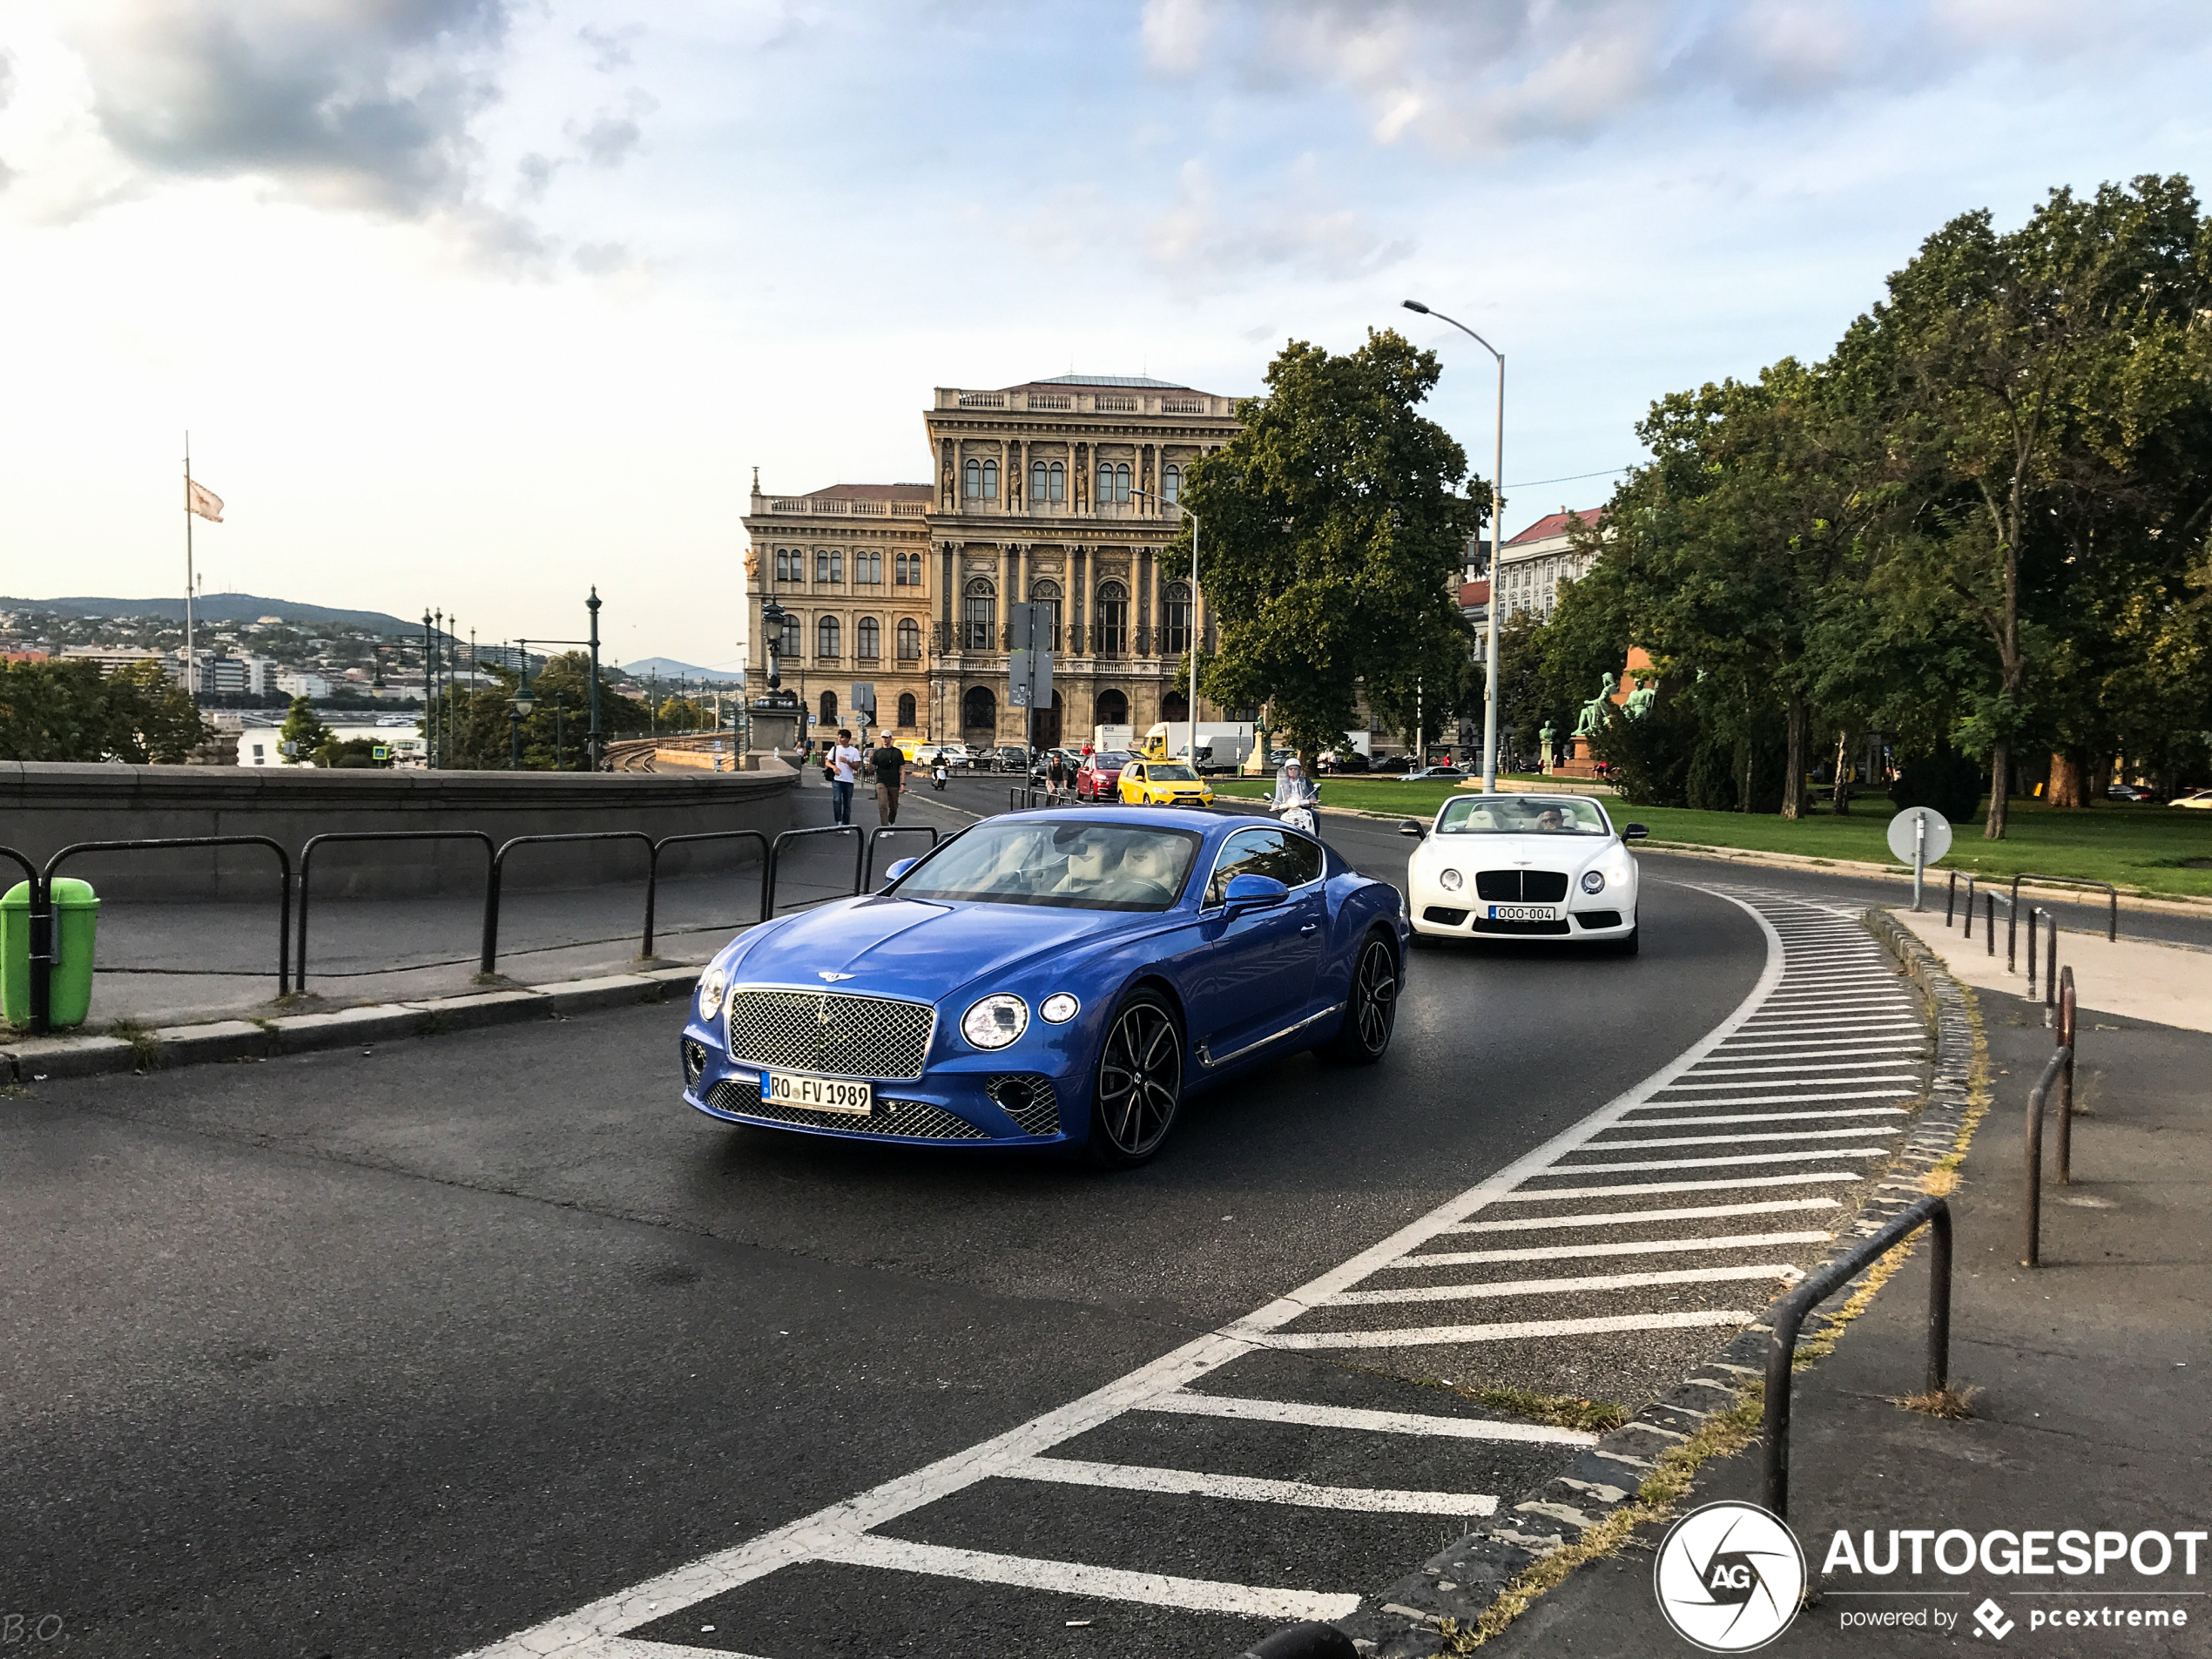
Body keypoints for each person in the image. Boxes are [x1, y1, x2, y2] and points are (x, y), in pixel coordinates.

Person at [1271, 756, 1320, 837]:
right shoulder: (1282, 784)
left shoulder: (1305, 781)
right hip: (1288, 808)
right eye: (1290, 769)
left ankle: (1316, 838)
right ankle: (1285, 838)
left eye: (1295, 769)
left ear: (1299, 770)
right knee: (1282, 821)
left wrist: (1313, 798)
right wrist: (1275, 804)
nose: (1293, 771)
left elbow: (1312, 791)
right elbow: (1278, 796)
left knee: (1315, 815)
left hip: (1304, 806)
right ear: (1287, 771)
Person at [828, 728, 862, 826]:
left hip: (848, 781)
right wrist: (834, 767)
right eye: (838, 737)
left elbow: (856, 767)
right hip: (837, 780)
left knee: (847, 804)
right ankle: (838, 822)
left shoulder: (854, 751)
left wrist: (847, 761)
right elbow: (827, 761)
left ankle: (846, 824)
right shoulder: (835, 749)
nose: (839, 739)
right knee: (837, 800)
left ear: (848, 739)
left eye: (842, 737)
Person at [870, 733, 906, 825]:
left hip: (894, 782)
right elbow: (871, 770)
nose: (885, 739)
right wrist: (871, 759)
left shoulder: (897, 752)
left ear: (890, 738)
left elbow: (902, 768)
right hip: (881, 781)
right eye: (883, 737)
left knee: (893, 806)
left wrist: (903, 784)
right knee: (882, 805)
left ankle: (891, 822)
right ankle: (885, 827)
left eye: (886, 737)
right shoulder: (878, 753)